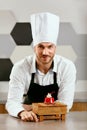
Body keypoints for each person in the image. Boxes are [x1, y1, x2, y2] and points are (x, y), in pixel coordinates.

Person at [6, 12, 76, 122]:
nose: (45, 52)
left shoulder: (67, 67)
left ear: (55, 48)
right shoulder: (20, 67)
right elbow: (12, 102)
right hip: (28, 121)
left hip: (56, 122)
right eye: (41, 47)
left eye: (49, 47)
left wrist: (33, 108)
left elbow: (66, 105)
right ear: (34, 47)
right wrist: (22, 112)